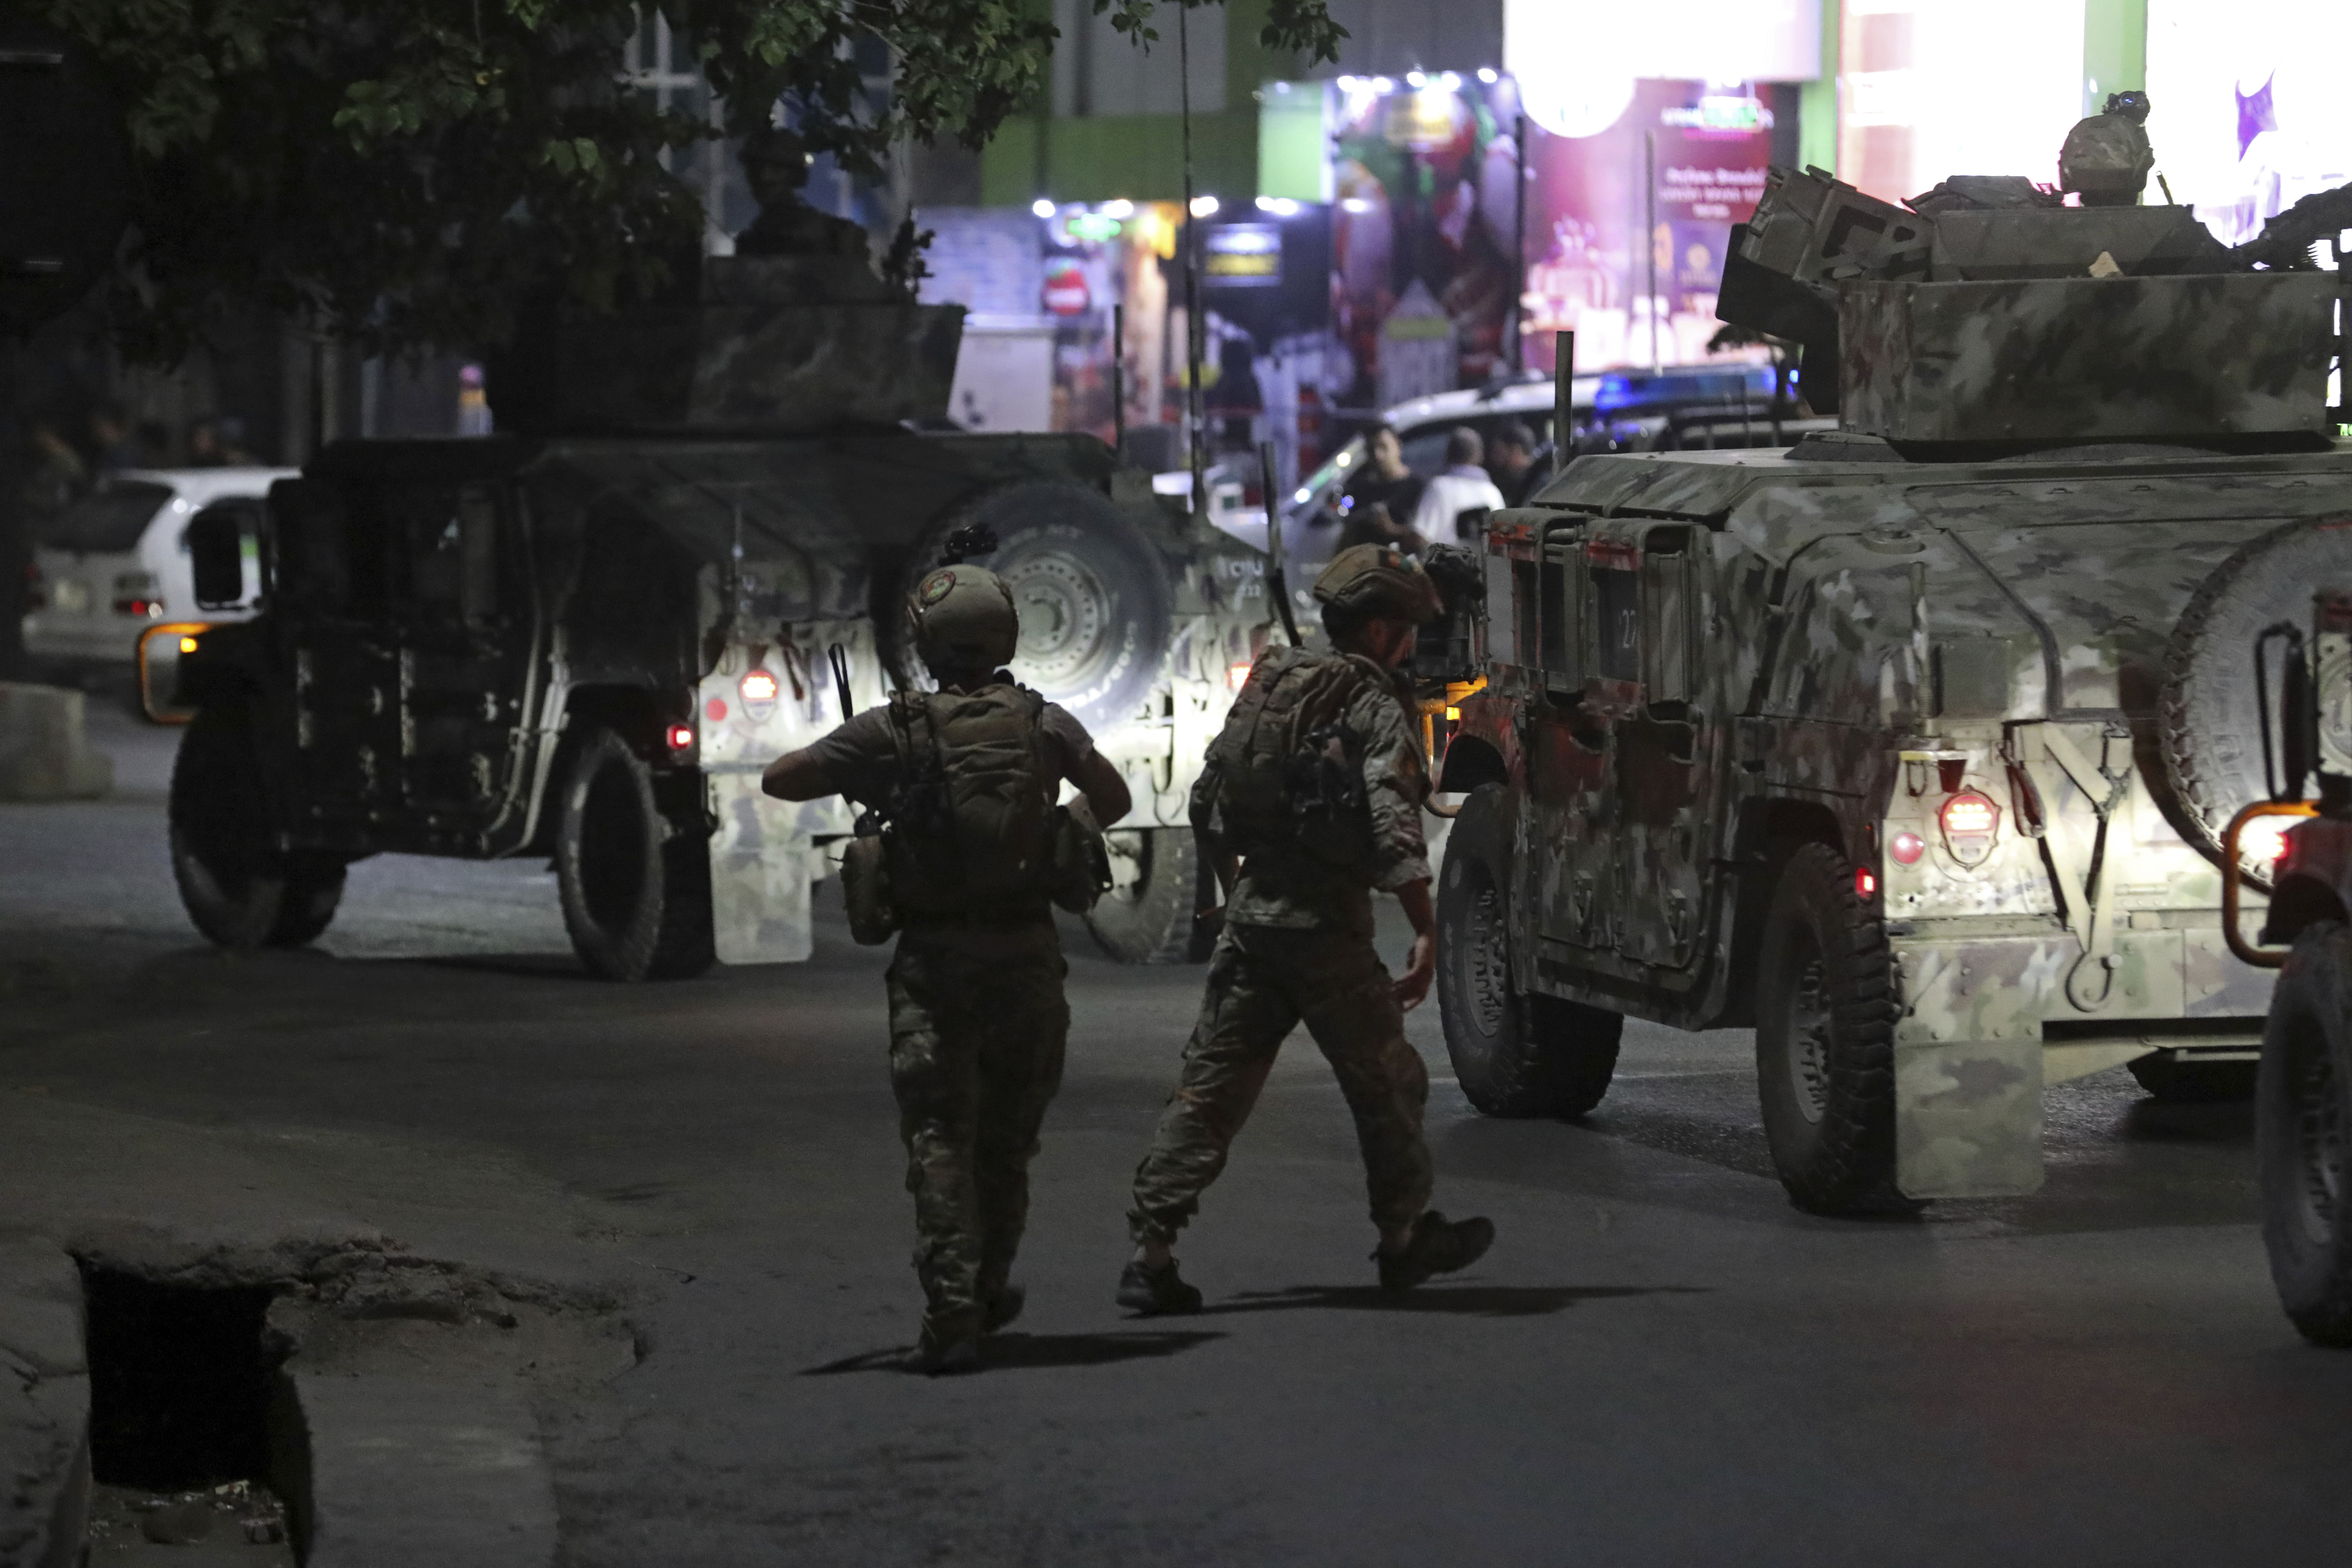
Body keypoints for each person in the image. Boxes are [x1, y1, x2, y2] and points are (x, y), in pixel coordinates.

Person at [762, 564, 1133, 1373]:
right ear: (1006, 638)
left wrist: (862, 774)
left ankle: (952, 1311)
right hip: (1029, 962)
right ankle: (990, 1284)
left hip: (935, 967)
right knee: (1005, 1146)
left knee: (939, 1140)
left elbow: (780, 779)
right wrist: (1053, 826)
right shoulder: (1045, 722)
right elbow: (1114, 798)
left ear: (928, 646)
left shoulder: (896, 729)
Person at [1119, 544, 1494, 1314]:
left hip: (1256, 922)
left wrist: (1233, 895)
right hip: (1326, 931)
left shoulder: (1275, 678)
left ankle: (1149, 1253)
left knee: (1210, 1091)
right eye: (1407, 629)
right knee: (1390, 1083)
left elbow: (1208, 795)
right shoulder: (1371, 702)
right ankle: (1403, 1240)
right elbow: (1393, 822)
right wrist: (1425, 930)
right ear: (1384, 628)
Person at [1412, 426, 1507, 543]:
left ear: (1448, 453)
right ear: (1480, 457)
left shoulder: (1439, 487)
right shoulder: (1493, 493)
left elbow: (1420, 537)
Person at [1342, 424, 1423, 531]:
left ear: (1398, 445)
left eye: (1383, 447)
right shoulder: (1360, 490)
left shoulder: (1417, 489)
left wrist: (1393, 530)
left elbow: (1423, 535)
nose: (1378, 455)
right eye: (1371, 449)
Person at [1486, 419, 1540, 507]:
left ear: (1515, 451)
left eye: (1501, 452)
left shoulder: (1540, 480)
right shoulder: (1507, 479)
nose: (1497, 458)